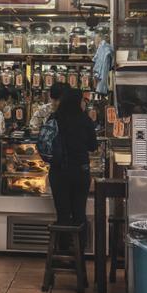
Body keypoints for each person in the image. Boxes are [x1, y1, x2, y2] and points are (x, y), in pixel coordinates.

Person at [48, 87, 97, 264]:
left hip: (59, 172)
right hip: (80, 172)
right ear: (78, 102)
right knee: (79, 214)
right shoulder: (85, 120)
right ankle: (79, 255)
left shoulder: (55, 118)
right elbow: (93, 146)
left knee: (62, 214)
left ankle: (61, 253)